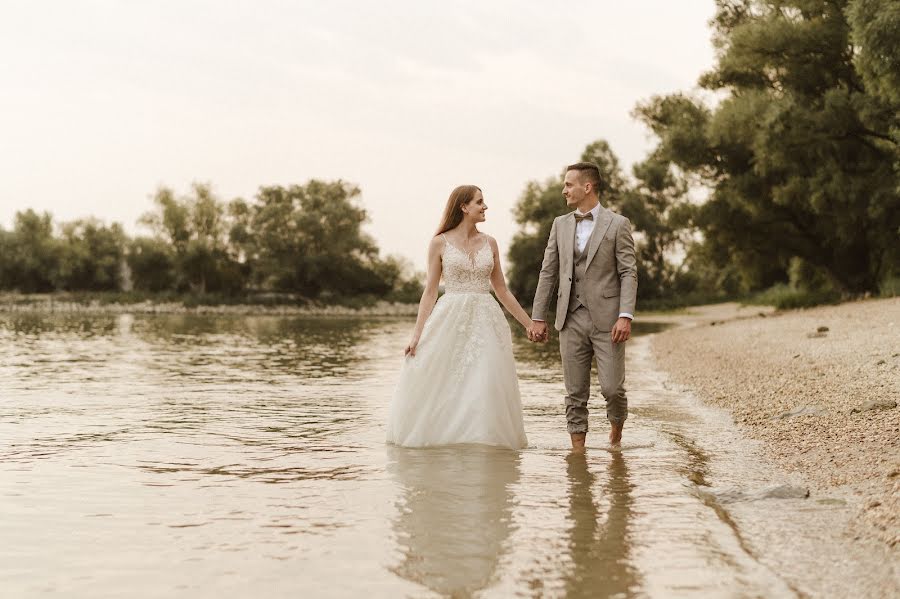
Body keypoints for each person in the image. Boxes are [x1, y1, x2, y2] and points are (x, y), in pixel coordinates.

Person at [386, 185, 530, 449]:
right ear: (463, 207)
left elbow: (502, 290)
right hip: (450, 318)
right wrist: (416, 335)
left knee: (485, 381)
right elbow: (430, 292)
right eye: (479, 202)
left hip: (487, 320)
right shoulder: (439, 243)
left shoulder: (491, 243)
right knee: (447, 379)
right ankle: (447, 442)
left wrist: (529, 324)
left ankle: (486, 443)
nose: (485, 207)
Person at [528, 162, 637, 451]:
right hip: (569, 318)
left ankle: (616, 432)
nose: (564, 189)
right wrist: (537, 317)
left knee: (612, 389)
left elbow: (628, 272)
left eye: (568, 184)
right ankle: (578, 456)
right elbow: (548, 272)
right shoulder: (559, 225)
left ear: (586, 187)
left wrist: (625, 315)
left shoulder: (618, 224)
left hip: (608, 320)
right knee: (575, 393)